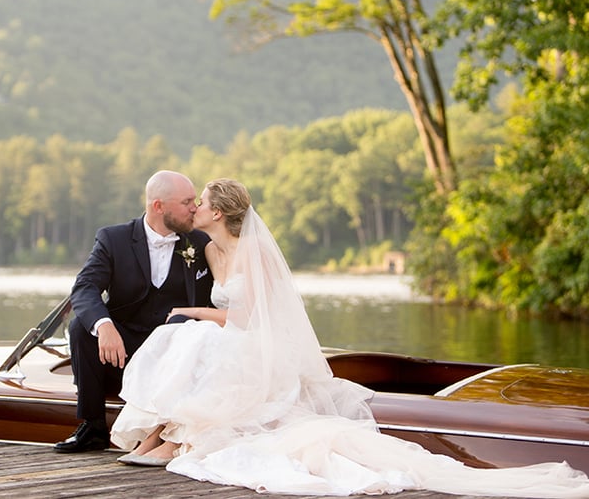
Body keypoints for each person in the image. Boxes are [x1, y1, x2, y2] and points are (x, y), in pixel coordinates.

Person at [110, 178, 589, 498]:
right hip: (232, 337)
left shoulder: (255, 250)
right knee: (190, 339)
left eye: (199, 202)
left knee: (195, 337)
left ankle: (168, 439)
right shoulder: (210, 250)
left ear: (217, 211)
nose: (194, 208)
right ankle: (160, 436)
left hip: (255, 341)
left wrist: (192, 313)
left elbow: (250, 318)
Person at [53, 170, 214, 453]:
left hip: (176, 354)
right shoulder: (114, 239)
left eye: (195, 200)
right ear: (158, 206)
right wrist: (104, 325)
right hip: (123, 350)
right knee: (81, 327)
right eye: (187, 201)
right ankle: (93, 426)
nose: (194, 207)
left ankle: (168, 431)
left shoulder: (201, 243)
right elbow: (85, 287)